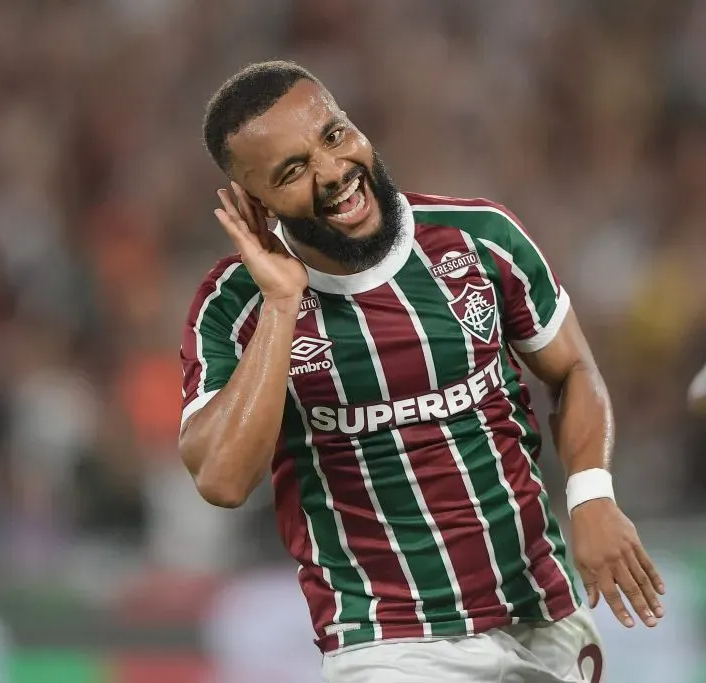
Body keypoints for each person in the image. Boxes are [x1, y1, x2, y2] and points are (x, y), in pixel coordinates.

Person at [179, 61, 665, 683]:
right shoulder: (234, 306)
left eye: (334, 136)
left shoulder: (479, 237)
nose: (333, 174)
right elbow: (221, 478)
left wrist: (592, 496)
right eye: (293, 171)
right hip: (388, 642)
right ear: (253, 200)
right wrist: (280, 305)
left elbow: (571, 367)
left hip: (544, 611)